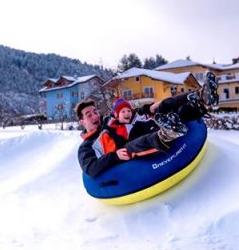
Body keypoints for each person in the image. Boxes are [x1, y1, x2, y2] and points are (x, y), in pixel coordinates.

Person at [77, 71, 218, 177]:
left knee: (158, 109)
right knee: (130, 146)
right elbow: (91, 168)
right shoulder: (87, 147)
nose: (95, 116)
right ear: (82, 122)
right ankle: (165, 135)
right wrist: (114, 156)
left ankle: (202, 98)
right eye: (89, 115)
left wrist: (147, 109)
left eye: (95, 111)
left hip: (139, 134)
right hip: (127, 153)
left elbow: (126, 115)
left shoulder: (108, 121)